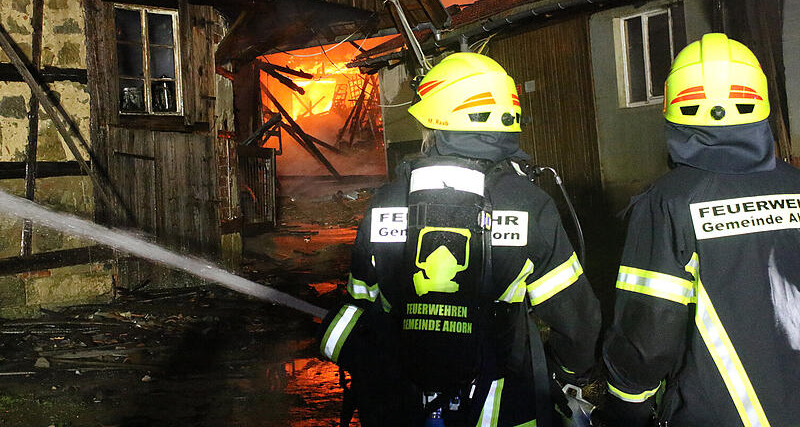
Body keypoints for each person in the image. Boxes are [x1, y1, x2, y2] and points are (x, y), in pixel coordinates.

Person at [319, 52, 601, 426]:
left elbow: (360, 307)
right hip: (502, 409)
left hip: (400, 407)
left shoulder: (386, 202)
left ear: (434, 125)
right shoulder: (529, 205)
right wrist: (565, 375)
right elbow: (577, 322)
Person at [599, 33, 800, 426]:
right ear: (760, 102)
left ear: (675, 106)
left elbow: (649, 332)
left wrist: (626, 404)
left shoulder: (668, 202)